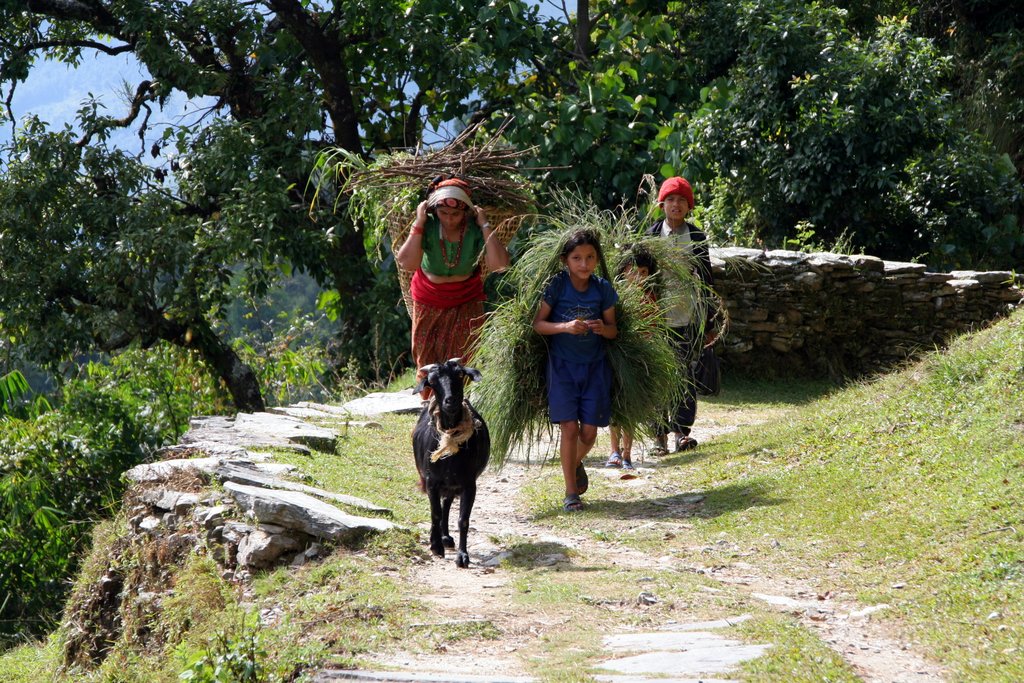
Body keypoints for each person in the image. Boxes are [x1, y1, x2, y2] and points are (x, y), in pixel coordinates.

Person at [396, 176, 510, 399]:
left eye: (456, 214)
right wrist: (419, 221)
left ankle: (456, 404)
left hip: (466, 298)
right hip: (428, 297)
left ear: (466, 212)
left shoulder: (474, 230)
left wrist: (484, 224)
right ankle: (430, 407)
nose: (449, 219)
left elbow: (499, 265)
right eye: (443, 213)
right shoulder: (428, 227)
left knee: (463, 356)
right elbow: (407, 263)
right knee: (426, 358)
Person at [533, 230, 618, 512]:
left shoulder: (602, 288)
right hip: (562, 368)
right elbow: (539, 324)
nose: (584, 264)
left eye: (590, 257)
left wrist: (601, 329)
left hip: (595, 369)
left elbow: (613, 330)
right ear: (565, 260)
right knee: (569, 428)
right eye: (577, 258)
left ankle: (573, 462)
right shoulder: (557, 286)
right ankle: (571, 493)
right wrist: (565, 327)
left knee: (590, 433)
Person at [646, 176, 717, 454]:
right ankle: (658, 437)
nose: (676, 205)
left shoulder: (696, 237)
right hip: (656, 319)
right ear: (662, 204)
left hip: (687, 317)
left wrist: (709, 322)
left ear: (689, 206)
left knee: (685, 374)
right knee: (656, 375)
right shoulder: (651, 236)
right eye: (671, 200)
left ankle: (681, 433)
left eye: (682, 201)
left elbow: (706, 280)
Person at [606, 245, 659, 478]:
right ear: (623, 271)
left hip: (637, 360)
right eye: (632, 271)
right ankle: (614, 451)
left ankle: (626, 454)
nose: (637, 277)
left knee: (629, 407)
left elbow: (653, 328)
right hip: (614, 358)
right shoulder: (613, 297)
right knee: (615, 406)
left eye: (643, 272)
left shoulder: (650, 298)